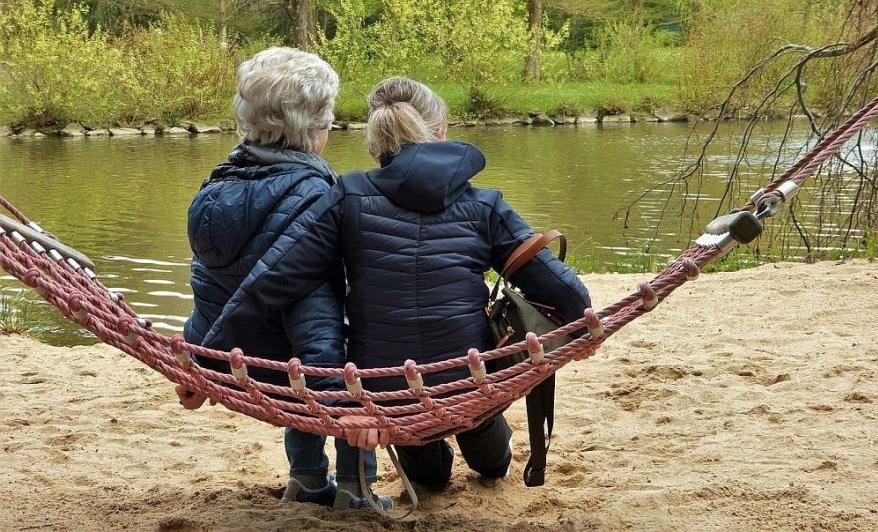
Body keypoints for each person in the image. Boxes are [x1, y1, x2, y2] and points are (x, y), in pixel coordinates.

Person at [203, 76, 591, 490]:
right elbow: (563, 290)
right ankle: (486, 447)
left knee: (430, 478)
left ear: (374, 145)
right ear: (441, 133)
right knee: (487, 445)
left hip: (389, 394)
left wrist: (207, 359)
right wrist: (583, 326)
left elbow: (274, 279)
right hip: (470, 379)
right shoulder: (485, 204)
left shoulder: (345, 196)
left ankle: (440, 453)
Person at [177, 46, 389, 511]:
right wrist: (342, 406)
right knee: (360, 346)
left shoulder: (214, 188)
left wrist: (197, 358)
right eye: (328, 119)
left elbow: (211, 285)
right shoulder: (318, 197)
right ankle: (356, 488)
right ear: (314, 129)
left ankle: (307, 479)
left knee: (300, 353)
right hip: (292, 366)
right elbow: (317, 317)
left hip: (232, 357)